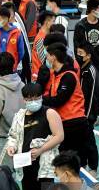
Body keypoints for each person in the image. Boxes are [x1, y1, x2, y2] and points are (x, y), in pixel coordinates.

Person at [5, 83, 62, 190]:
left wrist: (41, 150)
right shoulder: (20, 116)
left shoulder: (49, 113)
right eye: (30, 99)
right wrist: (11, 147)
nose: (34, 101)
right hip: (25, 166)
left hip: (45, 168)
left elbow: (59, 136)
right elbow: (13, 136)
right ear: (24, 100)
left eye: (37, 98)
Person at [41, 42, 95, 170]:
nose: (46, 59)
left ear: (53, 57)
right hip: (63, 122)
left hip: (74, 123)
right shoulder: (56, 75)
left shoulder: (68, 76)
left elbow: (59, 99)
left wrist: (41, 99)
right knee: (65, 162)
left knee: (76, 162)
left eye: (47, 56)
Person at [0, 6, 25, 71]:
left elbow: (21, 52)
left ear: (7, 19)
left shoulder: (17, 33)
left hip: (11, 69)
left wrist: (14, 64)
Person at [31, 10, 55, 77]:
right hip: (40, 77)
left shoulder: (46, 36)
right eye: (53, 21)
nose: (54, 24)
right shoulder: (41, 39)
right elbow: (44, 61)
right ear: (47, 22)